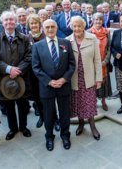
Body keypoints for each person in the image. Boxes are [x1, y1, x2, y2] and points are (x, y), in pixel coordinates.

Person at [32, 19, 75, 151]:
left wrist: (64, 79)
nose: (50, 29)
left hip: (64, 85)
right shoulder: (37, 46)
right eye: (47, 27)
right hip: (47, 86)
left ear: (56, 28)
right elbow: (36, 67)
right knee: (48, 114)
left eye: (52, 27)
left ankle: (65, 135)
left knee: (64, 113)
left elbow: (72, 64)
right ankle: (49, 137)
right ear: (43, 29)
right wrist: (49, 81)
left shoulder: (66, 43)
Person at [0, 11, 32, 141]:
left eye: (12, 20)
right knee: (9, 105)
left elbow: (29, 56)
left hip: (21, 77)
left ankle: (23, 127)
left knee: (22, 104)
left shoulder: (24, 38)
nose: (9, 22)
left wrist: (18, 70)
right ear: (2, 23)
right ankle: (12, 129)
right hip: (3, 79)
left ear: (16, 22)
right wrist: (8, 69)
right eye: (6, 20)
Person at [66, 16, 102, 140]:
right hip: (74, 79)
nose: (77, 28)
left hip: (88, 78)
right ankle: (81, 124)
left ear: (84, 26)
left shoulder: (92, 39)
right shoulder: (67, 41)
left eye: (79, 25)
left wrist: (99, 79)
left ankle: (93, 126)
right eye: (74, 26)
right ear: (71, 27)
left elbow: (97, 60)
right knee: (77, 103)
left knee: (90, 103)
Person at [88, 13, 112, 111]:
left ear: (103, 21)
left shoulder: (107, 32)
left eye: (100, 20)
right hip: (92, 64)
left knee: (104, 83)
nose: (98, 21)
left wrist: (106, 61)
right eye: (96, 19)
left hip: (103, 64)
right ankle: (93, 102)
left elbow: (109, 48)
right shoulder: (88, 32)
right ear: (93, 20)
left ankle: (103, 101)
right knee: (93, 83)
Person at [26, 14, 45, 128]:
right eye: (31, 23)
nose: (33, 25)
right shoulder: (25, 38)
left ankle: (54, 118)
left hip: (46, 72)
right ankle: (42, 117)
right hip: (33, 73)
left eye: (35, 23)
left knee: (48, 97)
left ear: (39, 24)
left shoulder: (45, 35)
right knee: (37, 96)